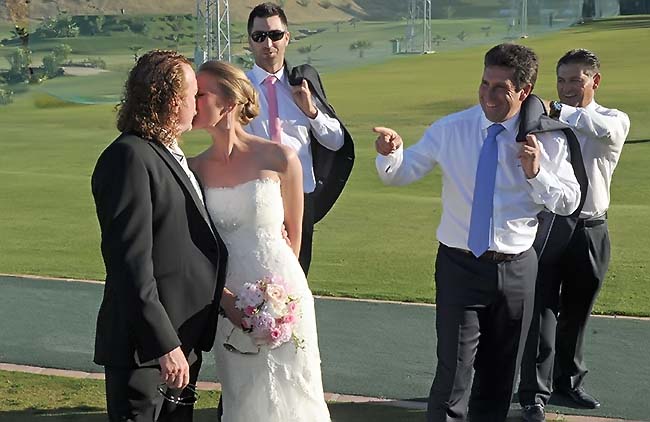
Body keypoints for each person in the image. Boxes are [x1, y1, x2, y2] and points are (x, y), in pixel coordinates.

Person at [374, 43, 581, 422]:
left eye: (501, 87)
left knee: (499, 378)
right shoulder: (451, 129)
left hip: (518, 270)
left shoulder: (547, 140)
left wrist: (537, 172)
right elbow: (402, 172)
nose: (488, 94)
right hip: (459, 267)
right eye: (484, 83)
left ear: (525, 90)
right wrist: (391, 153)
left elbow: (569, 201)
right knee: (453, 372)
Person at [189, 59, 331, 422]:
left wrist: (278, 299)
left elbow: (295, 239)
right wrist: (226, 299)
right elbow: (193, 247)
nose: (191, 101)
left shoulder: (281, 158)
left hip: (284, 299)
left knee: (297, 391)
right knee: (243, 396)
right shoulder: (193, 169)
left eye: (201, 94)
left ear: (230, 103)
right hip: (229, 300)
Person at [91, 50, 228, 421]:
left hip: (182, 344)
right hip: (147, 353)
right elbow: (130, 265)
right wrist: (164, 344)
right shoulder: (129, 158)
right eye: (191, 94)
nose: (197, 103)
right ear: (169, 100)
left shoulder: (169, 154)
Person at [518, 49, 630, 422]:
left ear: (594, 81)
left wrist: (556, 112)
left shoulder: (613, 119)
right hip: (550, 225)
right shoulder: (545, 123)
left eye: (575, 80)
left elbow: (601, 130)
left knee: (577, 312)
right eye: (562, 80)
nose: (566, 88)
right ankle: (534, 393)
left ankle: (569, 382)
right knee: (542, 311)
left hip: (591, 228)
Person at [243, 2, 354, 275]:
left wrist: (311, 111)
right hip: (257, 199)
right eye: (259, 36)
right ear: (250, 42)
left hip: (301, 200)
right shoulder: (240, 88)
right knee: (258, 278)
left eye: (275, 35)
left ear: (287, 37)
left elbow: (336, 142)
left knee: (295, 280)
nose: (268, 43)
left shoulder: (302, 83)